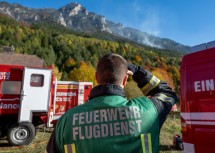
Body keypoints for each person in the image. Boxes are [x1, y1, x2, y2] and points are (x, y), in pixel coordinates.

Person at [46, 53, 178, 153]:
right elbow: (168, 93)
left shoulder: (66, 121)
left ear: (96, 77)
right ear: (125, 80)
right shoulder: (148, 111)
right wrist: (138, 72)